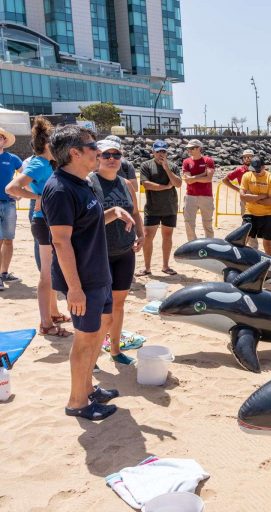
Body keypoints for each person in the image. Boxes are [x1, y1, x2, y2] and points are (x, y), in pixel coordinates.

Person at [43, 125, 135, 421]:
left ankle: (88, 388)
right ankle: (77, 402)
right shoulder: (59, 189)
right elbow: (60, 240)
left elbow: (86, 223)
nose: (98, 150)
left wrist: (114, 213)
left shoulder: (82, 183)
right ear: (75, 152)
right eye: (93, 145)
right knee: (85, 339)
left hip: (99, 273)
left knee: (99, 331)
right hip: (83, 280)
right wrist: (74, 289)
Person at [5, 117, 70, 334]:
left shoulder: (48, 163)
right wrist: (39, 195)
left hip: (51, 220)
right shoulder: (38, 163)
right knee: (46, 273)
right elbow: (12, 188)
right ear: (48, 145)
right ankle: (46, 324)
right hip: (44, 221)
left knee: (52, 270)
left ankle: (53, 312)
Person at [90, 139, 145, 366]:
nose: (112, 159)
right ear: (97, 158)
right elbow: (87, 223)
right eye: (106, 155)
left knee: (118, 304)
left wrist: (141, 235)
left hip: (124, 251)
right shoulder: (89, 183)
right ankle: (92, 355)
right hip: (99, 253)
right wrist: (114, 213)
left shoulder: (126, 184)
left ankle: (114, 350)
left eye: (116, 155)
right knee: (98, 308)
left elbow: (136, 212)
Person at [137, 140, 181, 276]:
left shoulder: (172, 166)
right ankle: (147, 268)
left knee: (167, 236)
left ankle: (165, 266)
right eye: (158, 151)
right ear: (153, 152)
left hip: (170, 207)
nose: (161, 154)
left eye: (163, 151)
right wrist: (165, 187)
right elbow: (146, 184)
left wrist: (167, 168)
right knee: (148, 236)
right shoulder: (146, 165)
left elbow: (178, 184)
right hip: (152, 208)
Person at [0, 126, 23, 290]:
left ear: (4, 140)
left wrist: (21, 194)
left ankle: (4, 273)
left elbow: (26, 177)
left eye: (0, 137)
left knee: (8, 239)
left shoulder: (13, 158)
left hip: (9, 204)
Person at [239, 157, 271, 253]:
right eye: (254, 171)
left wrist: (252, 198)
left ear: (264, 167)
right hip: (250, 214)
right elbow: (242, 197)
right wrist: (261, 196)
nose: (256, 173)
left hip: (268, 215)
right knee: (242, 240)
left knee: (268, 244)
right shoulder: (247, 176)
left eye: (258, 170)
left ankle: (270, 265)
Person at [181, 138, 215, 241]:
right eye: (188, 148)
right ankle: (192, 245)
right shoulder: (186, 161)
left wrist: (194, 177)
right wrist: (202, 175)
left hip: (206, 196)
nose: (189, 150)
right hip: (190, 196)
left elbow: (208, 179)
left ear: (199, 148)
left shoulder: (208, 160)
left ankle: (209, 244)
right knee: (189, 223)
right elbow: (188, 181)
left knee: (207, 223)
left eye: (192, 148)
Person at [222, 149, 255, 214]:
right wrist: (239, 190)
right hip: (245, 198)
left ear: (253, 157)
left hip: (258, 197)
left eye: (249, 157)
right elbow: (225, 180)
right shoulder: (240, 170)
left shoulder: (259, 169)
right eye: (245, 157)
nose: (247, 159)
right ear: (243, 158)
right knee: (246, 218)